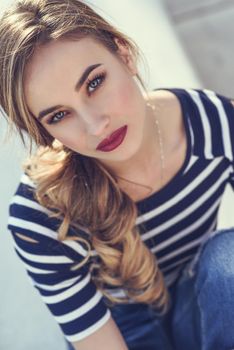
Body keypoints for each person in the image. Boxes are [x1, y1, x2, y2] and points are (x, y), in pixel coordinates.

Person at [1, 0, 234, 349]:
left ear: (124, 54)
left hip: (207, 308)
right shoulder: (38, 216)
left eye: (94, 83)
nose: (95, 126)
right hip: (118, 330)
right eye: (59, 115)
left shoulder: (213, 122)